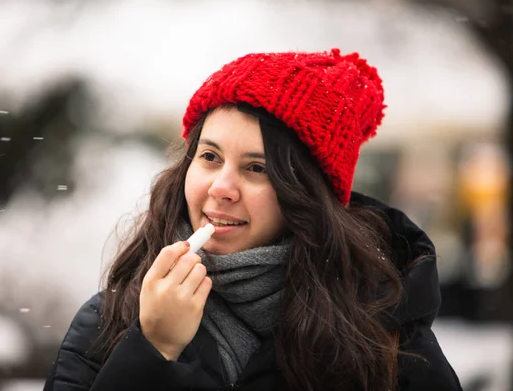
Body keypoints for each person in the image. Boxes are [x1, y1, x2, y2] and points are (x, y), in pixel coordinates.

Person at [43, 49, 463, 390]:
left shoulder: (384, 339)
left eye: (257, 168)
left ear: (307, 198)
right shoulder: (112, 317)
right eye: (209, 157)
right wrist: (153, 347)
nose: (221, 187)